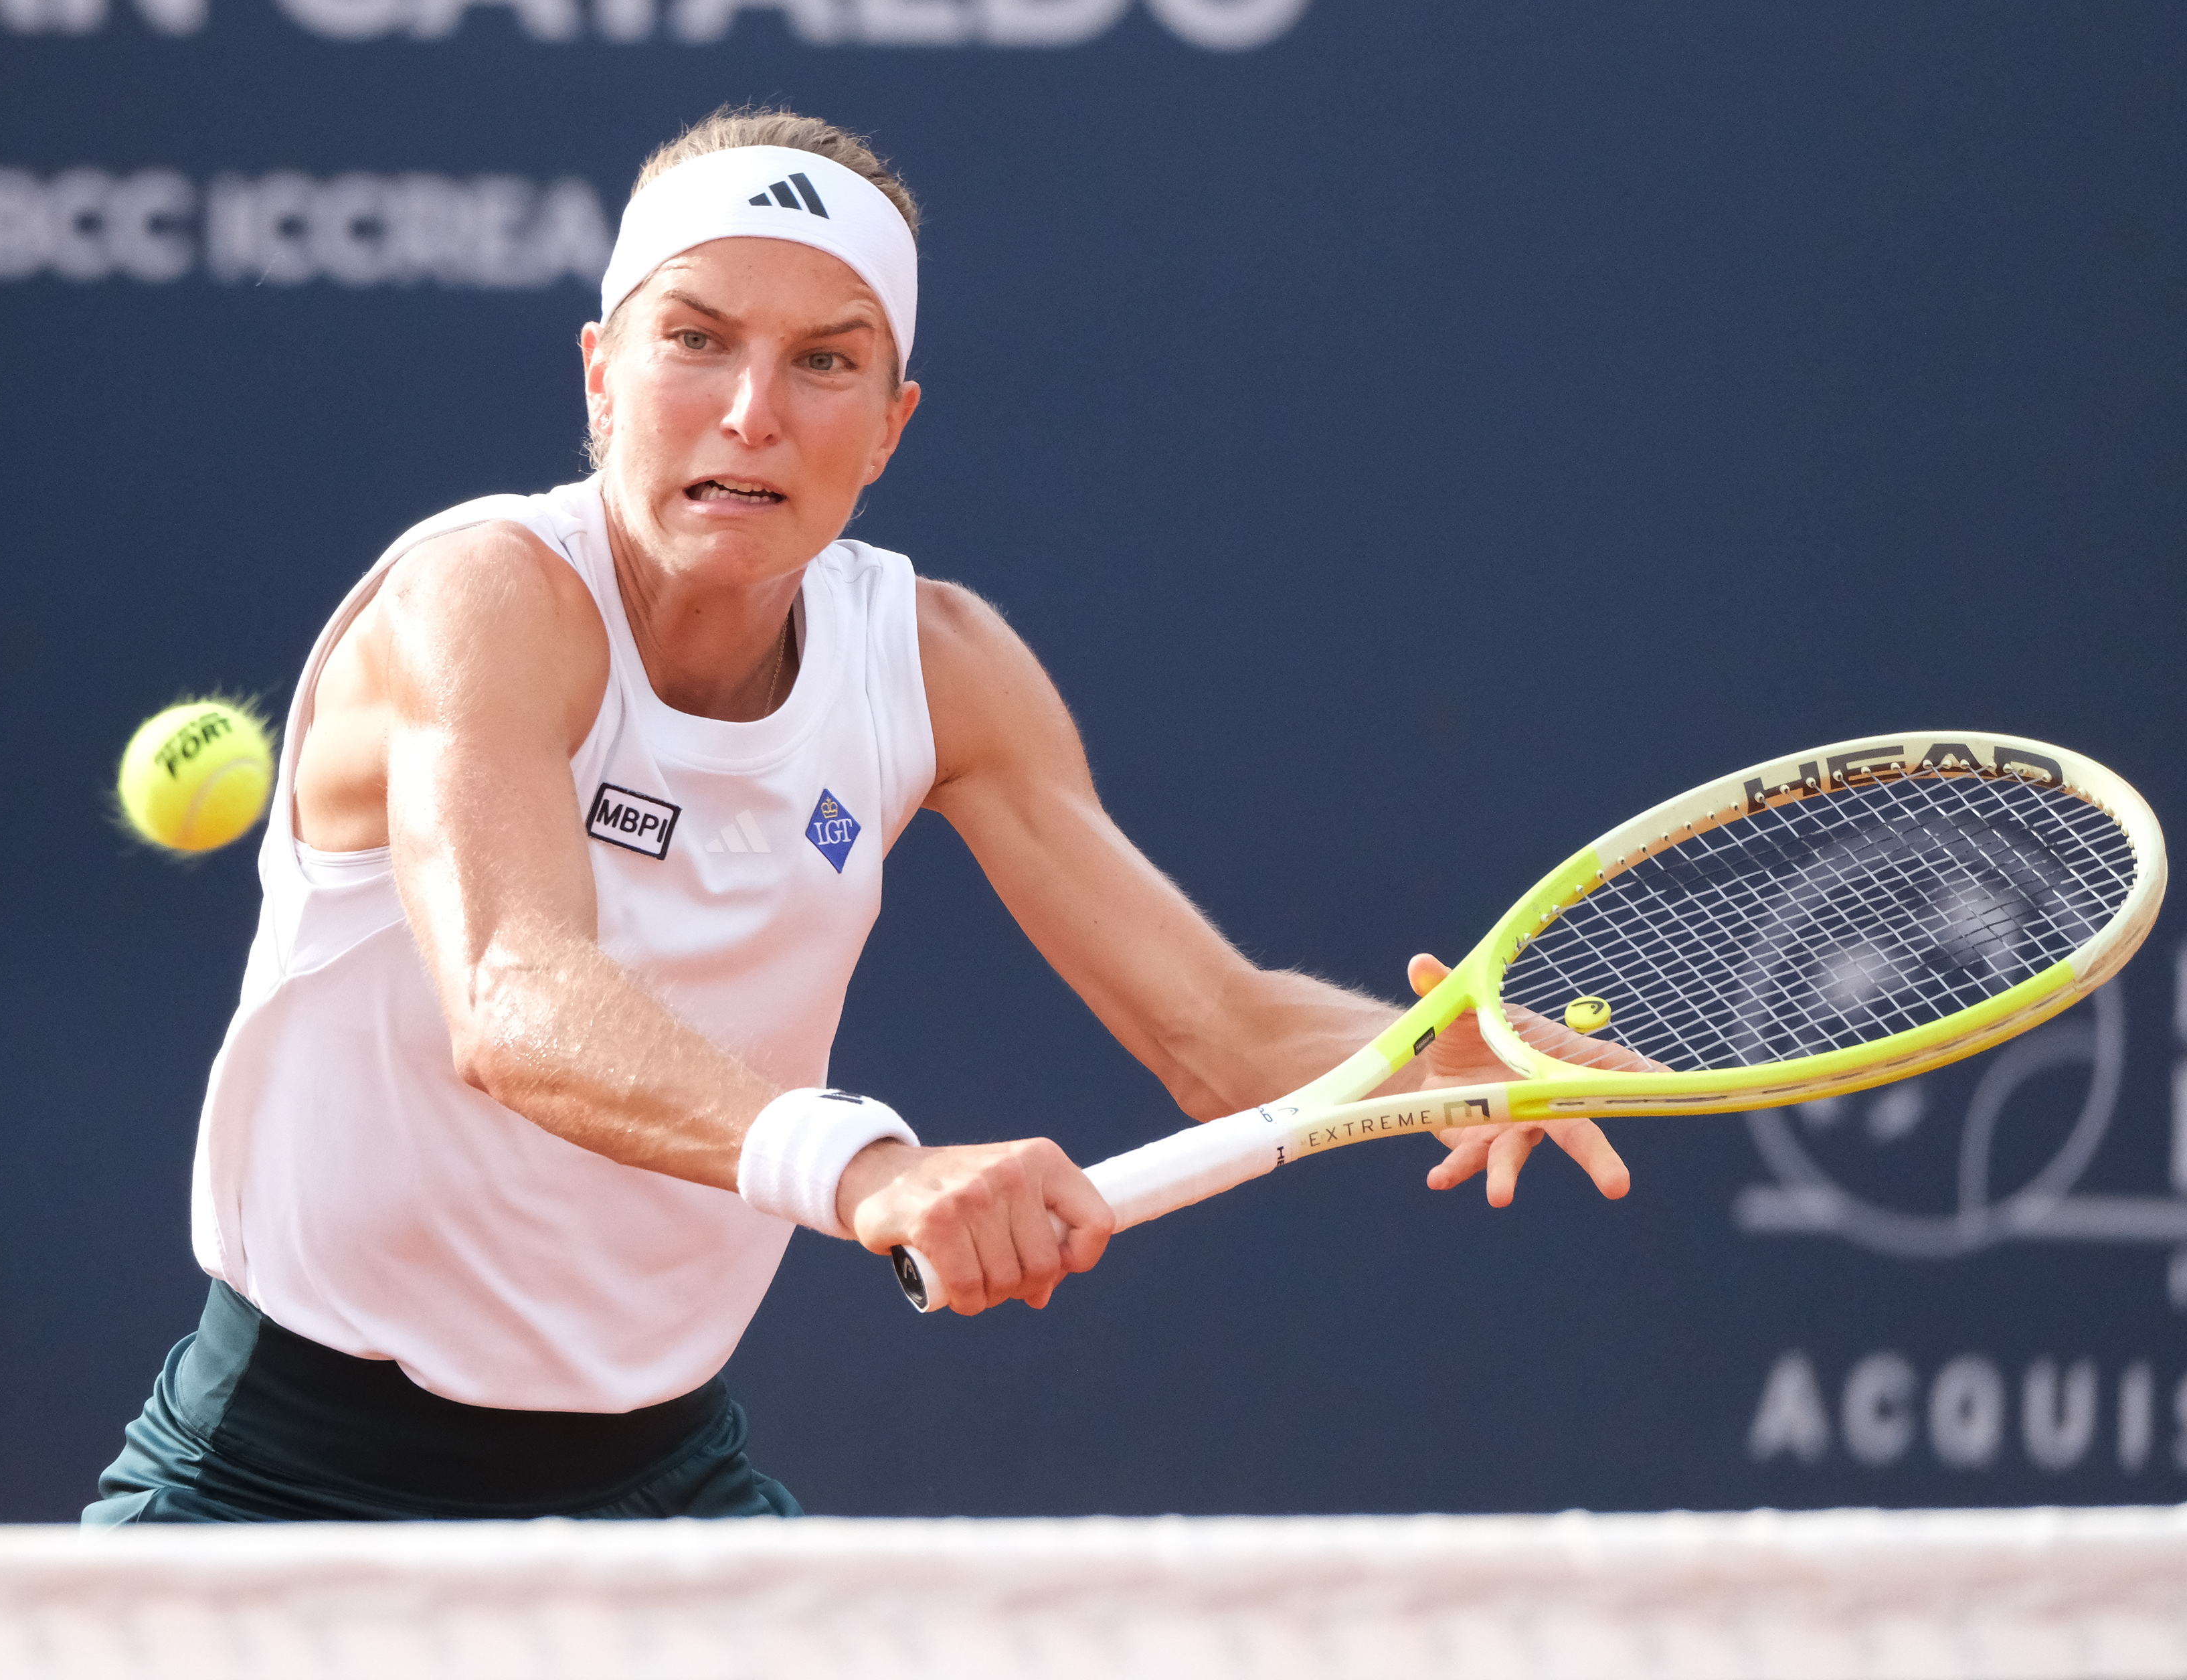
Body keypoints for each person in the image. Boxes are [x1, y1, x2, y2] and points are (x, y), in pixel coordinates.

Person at [84, 108, 1632, 1525]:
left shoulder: (937, 663)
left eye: (825, 362)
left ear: (890, 425)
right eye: (697, 340)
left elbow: (1216, 1026)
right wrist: (871, 1168)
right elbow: (513, 996)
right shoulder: (483, 597)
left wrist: (1427, 1058)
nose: (750, 411)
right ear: (602, 375)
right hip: (282, 1479)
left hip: (655, 1491)